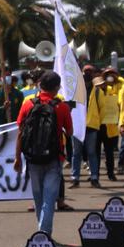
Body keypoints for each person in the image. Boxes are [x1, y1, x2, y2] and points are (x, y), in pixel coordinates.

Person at [14, 71, 74, 236]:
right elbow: (70, 132)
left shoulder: (28, 104)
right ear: (56, 88)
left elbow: (20, 132)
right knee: (49, 198)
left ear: (40, 85)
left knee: (38, 197)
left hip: (32, 158)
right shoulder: (61, 106)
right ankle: (44, 232)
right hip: (54, 158)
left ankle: (42, 231)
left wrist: (17, 157)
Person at [86, 68, 123, 185]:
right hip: (97, 126)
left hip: (109, 125)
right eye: (98, 85)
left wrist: (117, 78)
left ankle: (110, 173)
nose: (100, 86)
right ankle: (94, 174)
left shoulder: (112, 91)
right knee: (95, 152)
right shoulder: (93, 93)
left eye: (101, 84)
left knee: (109, 152)